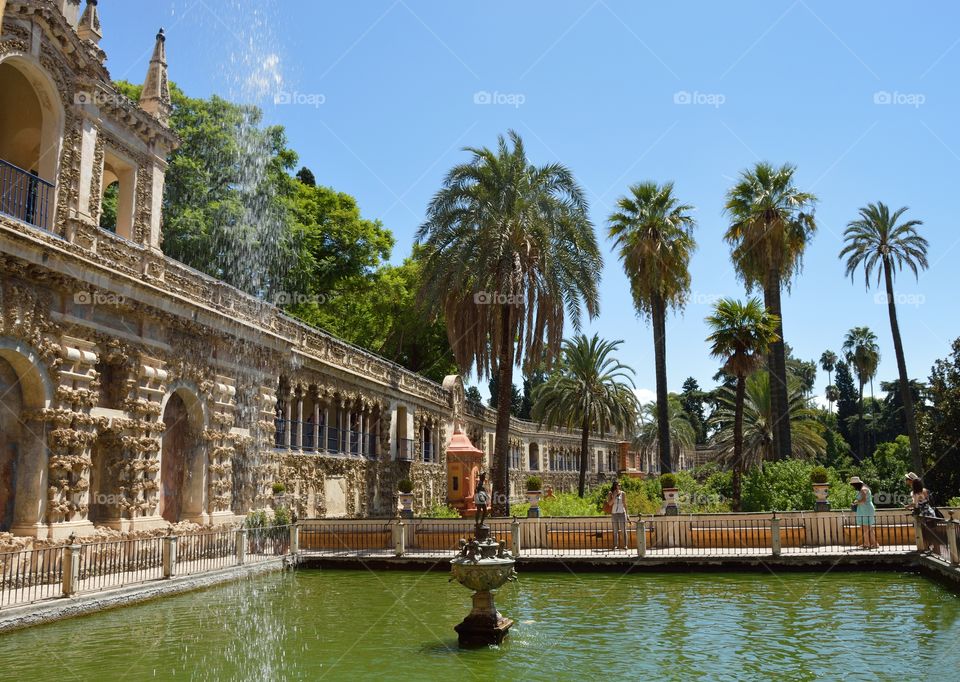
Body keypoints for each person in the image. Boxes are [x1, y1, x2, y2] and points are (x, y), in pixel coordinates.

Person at [904, 473, 945, 555]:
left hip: (923, 515)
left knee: (925, 533)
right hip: (930, 513)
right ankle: (937, 551)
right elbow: (925, 501)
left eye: (907, 479)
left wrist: (908, 506)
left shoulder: (914, 493)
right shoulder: (925, 490)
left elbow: (916, 505)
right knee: (933, 532)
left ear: (912, 482)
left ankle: (927, 549)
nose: (906, 481)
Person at [849, 476, 878, 549]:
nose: (853, 487)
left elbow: (864, 500)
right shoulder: (863, 488)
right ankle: (873, 544)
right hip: (864, 509)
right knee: (868, 527)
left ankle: (867, 544)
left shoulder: (863, 489)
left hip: (866, 509)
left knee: (865, 527)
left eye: (853, 485)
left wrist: (856, 502)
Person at [607, 480, 628, 550]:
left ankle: (625, 545)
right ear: (615, 486)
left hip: (622, 513)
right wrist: (614, 496)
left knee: (623, 530)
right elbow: (609, 504)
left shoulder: (623, 493)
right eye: (618, 485)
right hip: (614, 513)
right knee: (615, 530)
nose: (620, 486)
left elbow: (625, 504)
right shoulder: (610, 493)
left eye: (620, 485)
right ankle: (615, 545)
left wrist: (627, 514)